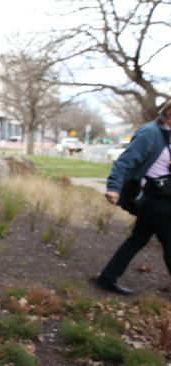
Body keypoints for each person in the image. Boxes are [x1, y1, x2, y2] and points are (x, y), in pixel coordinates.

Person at [97, 99, 171, 295]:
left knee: (138, 238)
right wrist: (114, 187)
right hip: (153, 199)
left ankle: (107, 277)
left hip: (164, 196)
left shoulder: (167, 134)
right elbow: (124, 163)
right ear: (169, 112)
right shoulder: (150, 133)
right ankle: (107, 278)